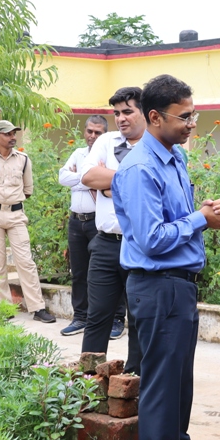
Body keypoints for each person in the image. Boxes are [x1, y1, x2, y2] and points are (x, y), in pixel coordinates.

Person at [112, 74, 220, 440]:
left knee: (179, 386)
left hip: (178, 287)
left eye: (193, 114)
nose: (192, 123)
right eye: (184, 116)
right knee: (163, 389)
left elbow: (177, 220)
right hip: (157, 286)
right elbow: (152, 239)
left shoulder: (174, 157)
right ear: (154, 117)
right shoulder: (140, 168)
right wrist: (202, 220)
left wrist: (205, 214)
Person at [76, 87, 146, 372]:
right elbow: (88, 176)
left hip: (139, 244)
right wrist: (123, 181)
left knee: (139, 317)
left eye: (127, 111)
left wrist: (109, 186)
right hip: (105, 243)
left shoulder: (155, 145)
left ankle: (134, 381)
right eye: (116, 113)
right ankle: (87, 382)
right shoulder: (105, 140)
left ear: (146, 112)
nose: (120, 118)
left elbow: (149, 187)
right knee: (98, 316)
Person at [0, 121, 55, 323]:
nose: (12, 137)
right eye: (8, 134)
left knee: (25, 261)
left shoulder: (23, 160)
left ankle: (37, 308)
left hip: (17, 216)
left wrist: (9, 205)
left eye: (14, 133)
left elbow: (28, 190)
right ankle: (3, 308)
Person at [58, 114, 117, 336]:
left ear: (105, 134)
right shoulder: (78, 153)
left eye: (98, 132)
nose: (92, 136)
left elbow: (107, 180)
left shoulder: (109, 155)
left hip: (97, 223)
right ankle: (80, 317)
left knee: (109, 273)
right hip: (76, 222)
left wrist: (84, 178)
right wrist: (88, 180)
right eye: (89, 131)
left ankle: (116, 320)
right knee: (79, 272)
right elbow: (63, 177)